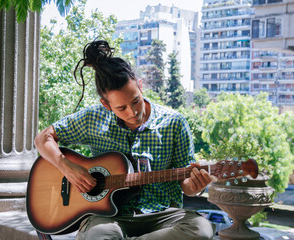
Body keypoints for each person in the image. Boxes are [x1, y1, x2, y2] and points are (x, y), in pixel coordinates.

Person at [34, 39, 215, 240]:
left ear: (140, 86)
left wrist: (196, 186)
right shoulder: (92, 118)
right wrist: (65, 166)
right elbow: (43, 138)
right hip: (108, 218)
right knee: (98, 236)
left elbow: (187, 185)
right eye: (121, 108)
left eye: (135, 100)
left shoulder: (175, 123)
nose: (133, 112)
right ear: (106, 104)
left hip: (163, 216)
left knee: (201, 229)